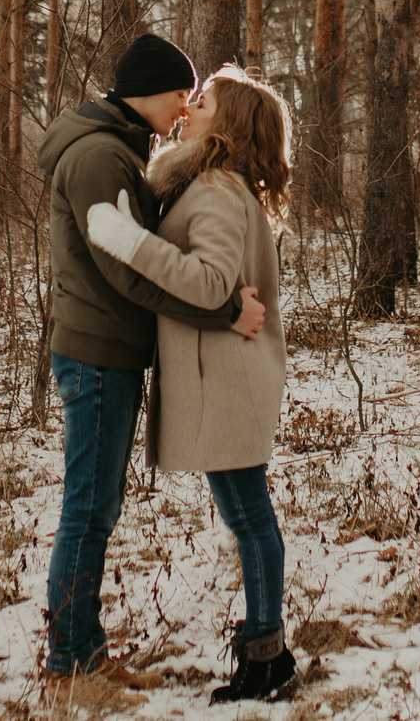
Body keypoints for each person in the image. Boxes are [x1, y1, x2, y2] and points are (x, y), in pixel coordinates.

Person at [34, 33, 265, 694]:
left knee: (96, 506)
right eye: (181, 95)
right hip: (97, 353)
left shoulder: (118, 146)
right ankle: (70, 664)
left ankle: (82, 650)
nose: (185, 109)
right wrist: (223, 310)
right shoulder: (101, 156)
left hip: (106, 351)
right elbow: (127, 271)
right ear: (153, 91)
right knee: (89, 509)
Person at [85, 63, 299, 705]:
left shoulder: (217, 189)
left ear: (226, 122)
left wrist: (130, 242)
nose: (189, 107)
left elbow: (209, 284)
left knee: (249, 515)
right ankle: (267, 651)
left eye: (201, 101)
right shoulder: (209, 183)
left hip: (228, 380)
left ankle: (267, 657)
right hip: (224, 375)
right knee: (246, 513)